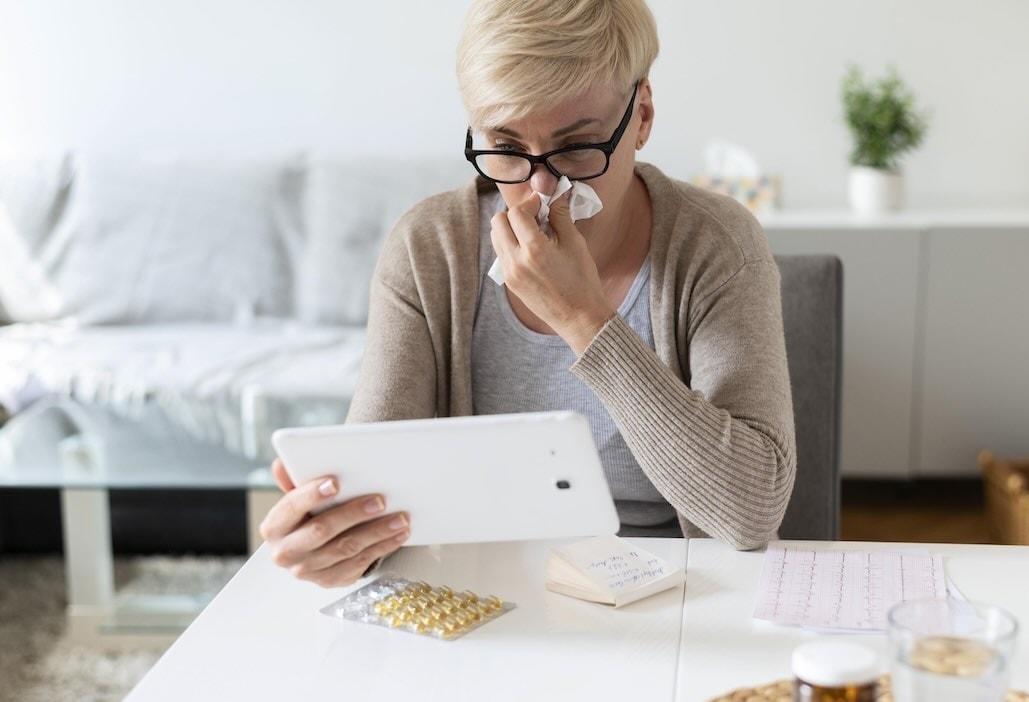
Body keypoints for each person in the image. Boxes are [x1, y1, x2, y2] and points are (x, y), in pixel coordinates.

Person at [260, 0, 796, 587]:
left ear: (641, 116)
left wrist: (585, 319)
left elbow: (750, 513)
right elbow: (373, 485)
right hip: (484, 591)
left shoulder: (717, 245)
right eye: (509, 148)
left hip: (674, 591)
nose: (543, 188)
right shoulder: (430, 248)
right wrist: (340, 541)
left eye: (576, 148)